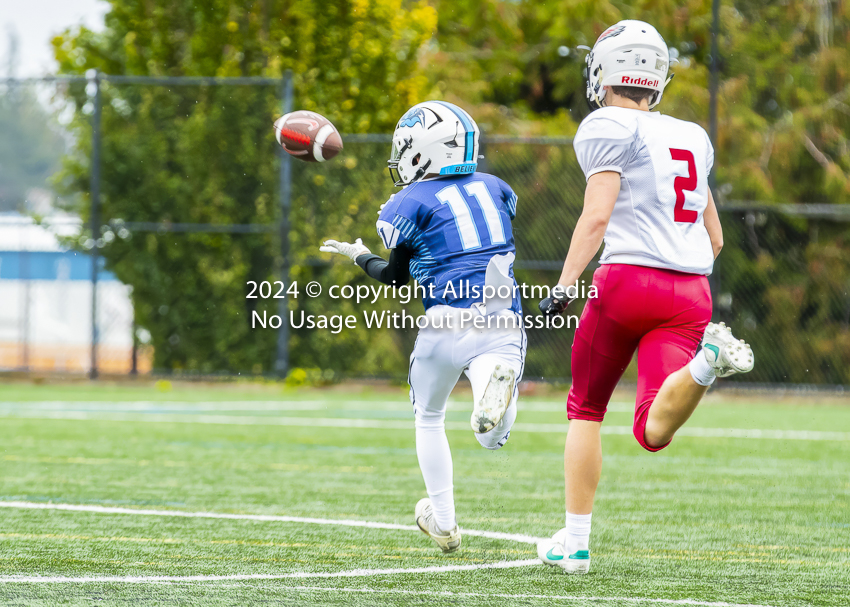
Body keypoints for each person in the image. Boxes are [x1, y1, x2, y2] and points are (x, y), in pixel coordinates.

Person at [536, 20, 754, 574]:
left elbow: (597, 215)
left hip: (628, 281)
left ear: (605, 72)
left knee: (586, 408)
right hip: (690, 293)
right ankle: (706, 365)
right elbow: (717, 236)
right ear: (656, 77)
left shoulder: (605, 124)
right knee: (651, 430)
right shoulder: (691, 135)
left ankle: (576, 544)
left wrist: (565, 284)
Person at [319, 101, 526, 553]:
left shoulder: (406, 203)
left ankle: (446, 523)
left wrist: (358, 255)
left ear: (422, 151)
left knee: (429, 416)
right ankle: (492, 391)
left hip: (441, 324)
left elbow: (395, 276)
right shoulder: (496, 188)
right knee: (492, 438)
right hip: (499, 318)